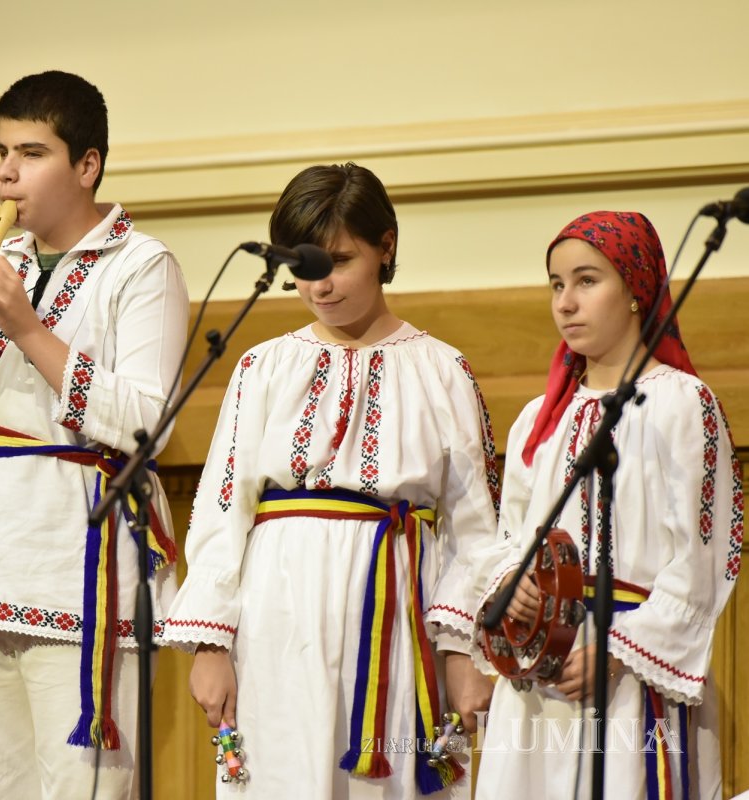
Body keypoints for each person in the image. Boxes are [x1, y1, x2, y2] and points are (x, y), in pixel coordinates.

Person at [161, 162, 499, 798]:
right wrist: (210, 643)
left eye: (340, 260)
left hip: (398, 617)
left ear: (386, 247)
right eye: (305, 266)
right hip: (277, 619)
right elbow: (223, 507)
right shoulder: (263, 367)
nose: (320, 285)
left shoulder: (442, 371)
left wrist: (462, 651)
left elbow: (475, 529)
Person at [0, 70, 188, 798]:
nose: (6, 171)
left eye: (30, 153)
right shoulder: (1, 264)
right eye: (1, 150)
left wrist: (27, 328)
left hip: (79, 569)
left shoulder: (143, 265)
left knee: (76, 784)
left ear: (86, 165)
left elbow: (146, 424)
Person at [472, 211, 742, 798]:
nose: (566, 302)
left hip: (626, 676)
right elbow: (509, 535)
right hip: (538, 678)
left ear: (637, 291)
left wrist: (618, 653)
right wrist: (509, 583)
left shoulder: (681, 405)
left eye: (587, 281)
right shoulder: (538, 420)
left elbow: (703, 559)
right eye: (556, 284)